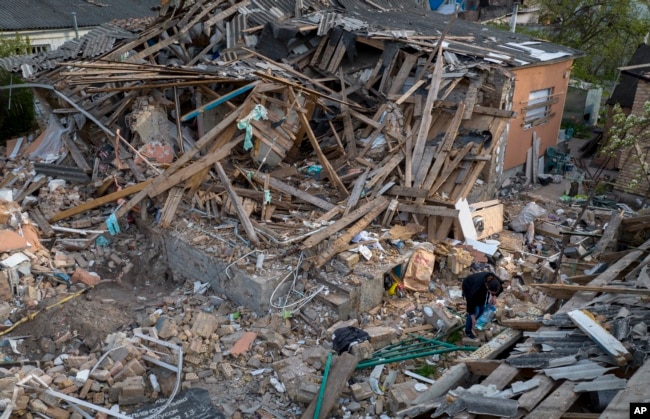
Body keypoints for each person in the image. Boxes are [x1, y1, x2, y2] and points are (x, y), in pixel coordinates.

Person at [462, 272, 504, 339]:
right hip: (468, 286)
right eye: (491, 292)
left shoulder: (496, 281)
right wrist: (473, 317)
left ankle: (476, 323)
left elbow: (500, 289)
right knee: (475, 311)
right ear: (487, 287)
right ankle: (468, 331)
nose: (492, 294)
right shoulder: (476, 287)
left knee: (482, 307)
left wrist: (494, 296)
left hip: (481, 288)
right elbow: (470, 302)